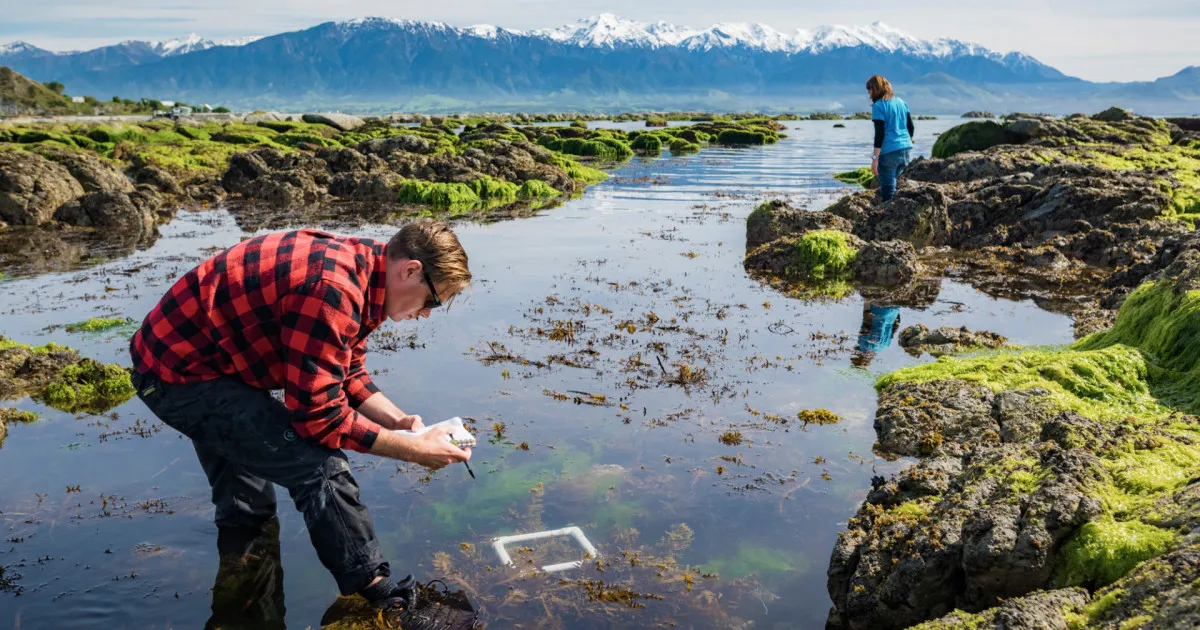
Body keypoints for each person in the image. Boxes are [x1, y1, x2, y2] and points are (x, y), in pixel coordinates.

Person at [129, 219, 474, 618]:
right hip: (178, 375)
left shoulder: (369, 270)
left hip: (213, 364)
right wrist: (412, 452)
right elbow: (320, 419)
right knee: (319, 467)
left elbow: (346, 371)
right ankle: (382, 594)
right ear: (410, 270)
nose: (427, 314)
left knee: (248, 510)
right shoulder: (334, 289)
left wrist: (401, 422)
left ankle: (241, 599)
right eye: (433, 300)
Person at [867, 74, 915, 202]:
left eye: (870, 90)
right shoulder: (902, 102)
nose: (869, 94)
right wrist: (908, 140)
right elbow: (911, 127)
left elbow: (880, 135)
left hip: (889, 153)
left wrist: (874, 159)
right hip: (906, 151)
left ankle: (891, 217)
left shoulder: (878, 106)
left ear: (876, 89)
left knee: (888, 193)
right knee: (895, 186)